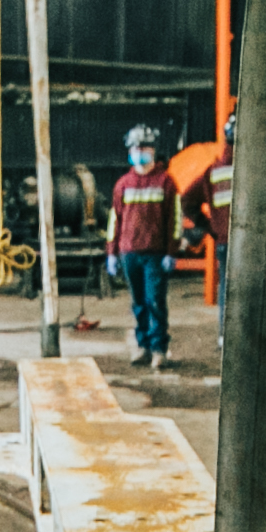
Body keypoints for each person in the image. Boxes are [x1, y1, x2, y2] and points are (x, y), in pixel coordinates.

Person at [105, 122, 182, 367]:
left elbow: (175, 219)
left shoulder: (166, 182)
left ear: (154, 150)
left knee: (155, 301)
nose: (140, 152)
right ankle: (143, 347)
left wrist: (172, 251)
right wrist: (112, 253)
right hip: (129, 253)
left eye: (145, 147)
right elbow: (114, 220)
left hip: (155, 254)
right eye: (136, 148)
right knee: (138, 303)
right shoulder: (123, 185)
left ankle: (159, 349)